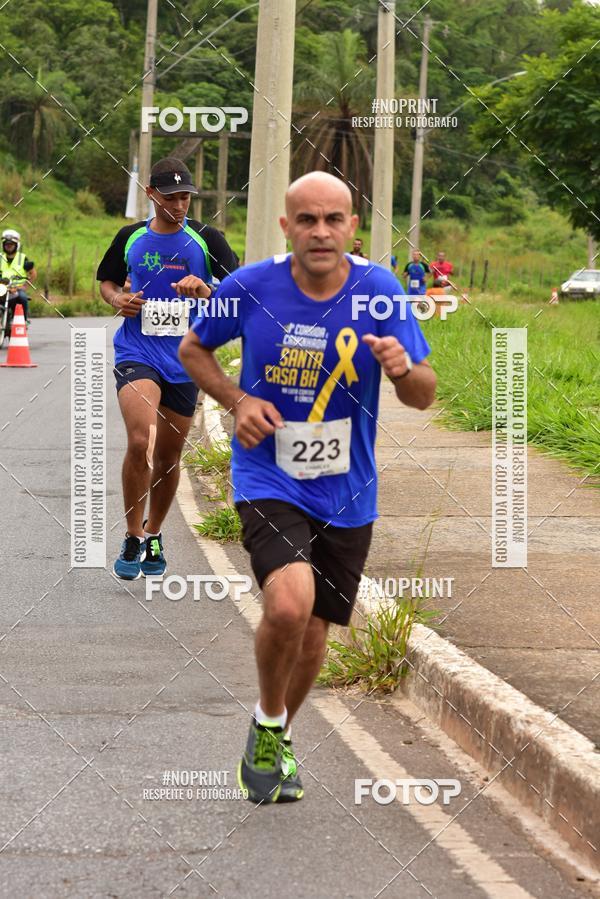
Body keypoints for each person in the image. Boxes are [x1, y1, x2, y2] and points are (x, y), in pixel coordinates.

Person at [179, 171, 436, 804]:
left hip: (347, 490)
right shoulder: (250, 286)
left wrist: (403, 370)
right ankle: (271, 721)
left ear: (353, 227)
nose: (320, 231)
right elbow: (193, 349)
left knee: (316, 630)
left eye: (333, 219)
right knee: (290, 606)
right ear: (286, 226)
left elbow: (424, 394)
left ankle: (276, 733)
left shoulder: (381, 292)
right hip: (268, 475)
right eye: (307, 219)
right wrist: (238, 400)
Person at [97, 157, 238, 580]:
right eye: (170, 197)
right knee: (141, 440)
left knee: (168, 456)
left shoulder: (207, 239)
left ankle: (154, 532)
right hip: (137, 351)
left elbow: (240, 294)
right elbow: (106, 281)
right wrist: (117, 299)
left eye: (185, 198)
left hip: (184, 360)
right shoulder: (130, 237)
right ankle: (131, 535)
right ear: (151, 194)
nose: (178, 205)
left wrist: (207, 290)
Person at [0, 229, 36, 323]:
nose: (9, 246)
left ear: (16, 245)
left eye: (11, 244)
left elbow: (33, 273)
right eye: (6, 244)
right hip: (2, 288)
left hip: (17, 289)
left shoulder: (22, 258)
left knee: (23, 298)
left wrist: (24, 286)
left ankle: (24, 321)